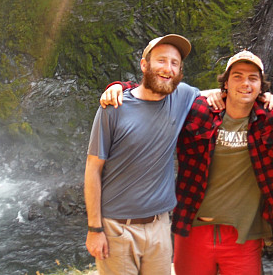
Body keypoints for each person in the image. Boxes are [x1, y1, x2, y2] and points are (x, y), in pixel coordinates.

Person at [101, 50, 273, 275]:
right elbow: (156, 90)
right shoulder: (198, 110)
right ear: (226, 83)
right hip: (192, 230)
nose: (245, 84)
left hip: (245, 237)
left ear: (261, 86)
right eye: (237, 76)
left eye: (252, 78)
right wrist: (119, 87)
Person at [85, 34, 205, 275]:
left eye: (174, 63)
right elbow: (93, 169)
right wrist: (94, 229)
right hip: (116, 229)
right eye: (161, 60)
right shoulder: (114, 108)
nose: (167, 68)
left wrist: (262, 96)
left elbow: (225, 95)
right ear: (144, 64)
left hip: (160, 226)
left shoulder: (182, 97)